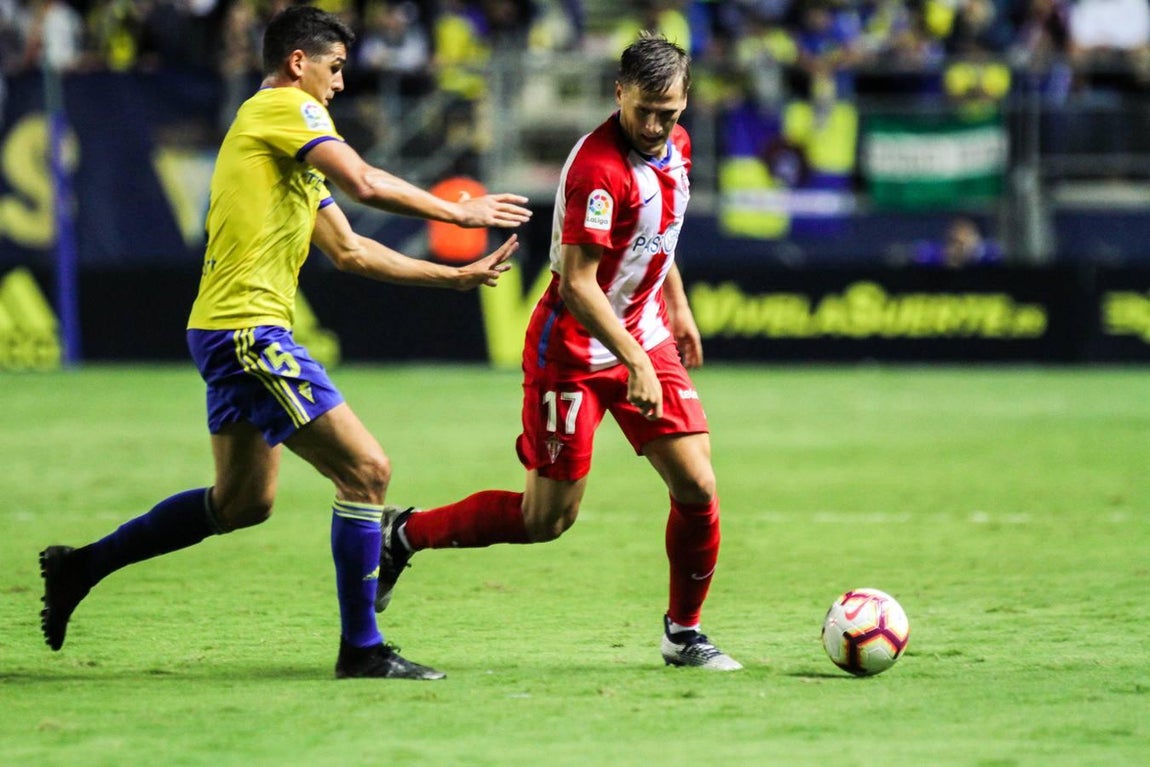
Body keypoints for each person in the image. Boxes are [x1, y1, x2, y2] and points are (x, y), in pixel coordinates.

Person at [37, 4, 531, 680]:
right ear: (298, 63)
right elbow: (364, 180)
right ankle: (361, 648)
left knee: (242, 502)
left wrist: (452, 277)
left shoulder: (286, 154)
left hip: (225, 328)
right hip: (248, 330)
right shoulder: (281, 110)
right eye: (334, 68)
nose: (339, 84)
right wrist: (458, 209)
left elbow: (351, 250)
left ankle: (80, 565)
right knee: (366, 471)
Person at [375, 32, 742, 671]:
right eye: (645, 109)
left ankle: (684, 633)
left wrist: (674, 305)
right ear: (619, 92)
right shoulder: (599, 171)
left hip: (641, 332)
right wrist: (631, 358)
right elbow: (577, 284)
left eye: (670, 112)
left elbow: (660, 233)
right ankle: (403, 535)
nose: (656, 125)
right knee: (546, 520)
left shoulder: (675, 145)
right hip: (572, 347)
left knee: (698, 484)